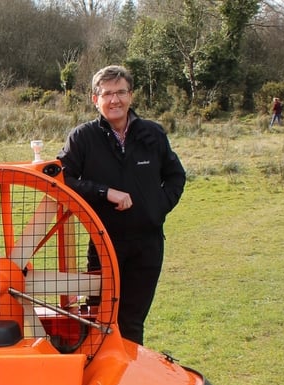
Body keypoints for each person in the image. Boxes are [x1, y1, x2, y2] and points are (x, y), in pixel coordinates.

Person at [56, 65, 186, 345]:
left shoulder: (152, 135)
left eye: (121, 92)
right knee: (99, 318)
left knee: (132, 321)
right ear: (95, 99)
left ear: (131, 96)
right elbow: (60, 178)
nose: (114, 100)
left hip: (147, 245)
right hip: (104, 243)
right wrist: (104, 192)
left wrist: (156, 208)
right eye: (107, 94)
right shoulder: (82, 138)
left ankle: (128, 380)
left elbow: (176, 176)